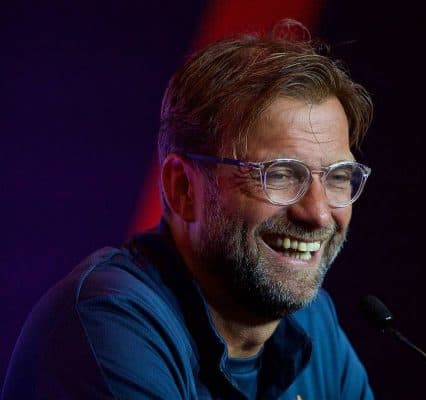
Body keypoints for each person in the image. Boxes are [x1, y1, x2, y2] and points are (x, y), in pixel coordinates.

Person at [2, 20, 374, 400]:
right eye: (279, 175)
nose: (319, 214)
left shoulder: (312, 322)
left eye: (338, 177)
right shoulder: (105, 325)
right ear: (183, 188)